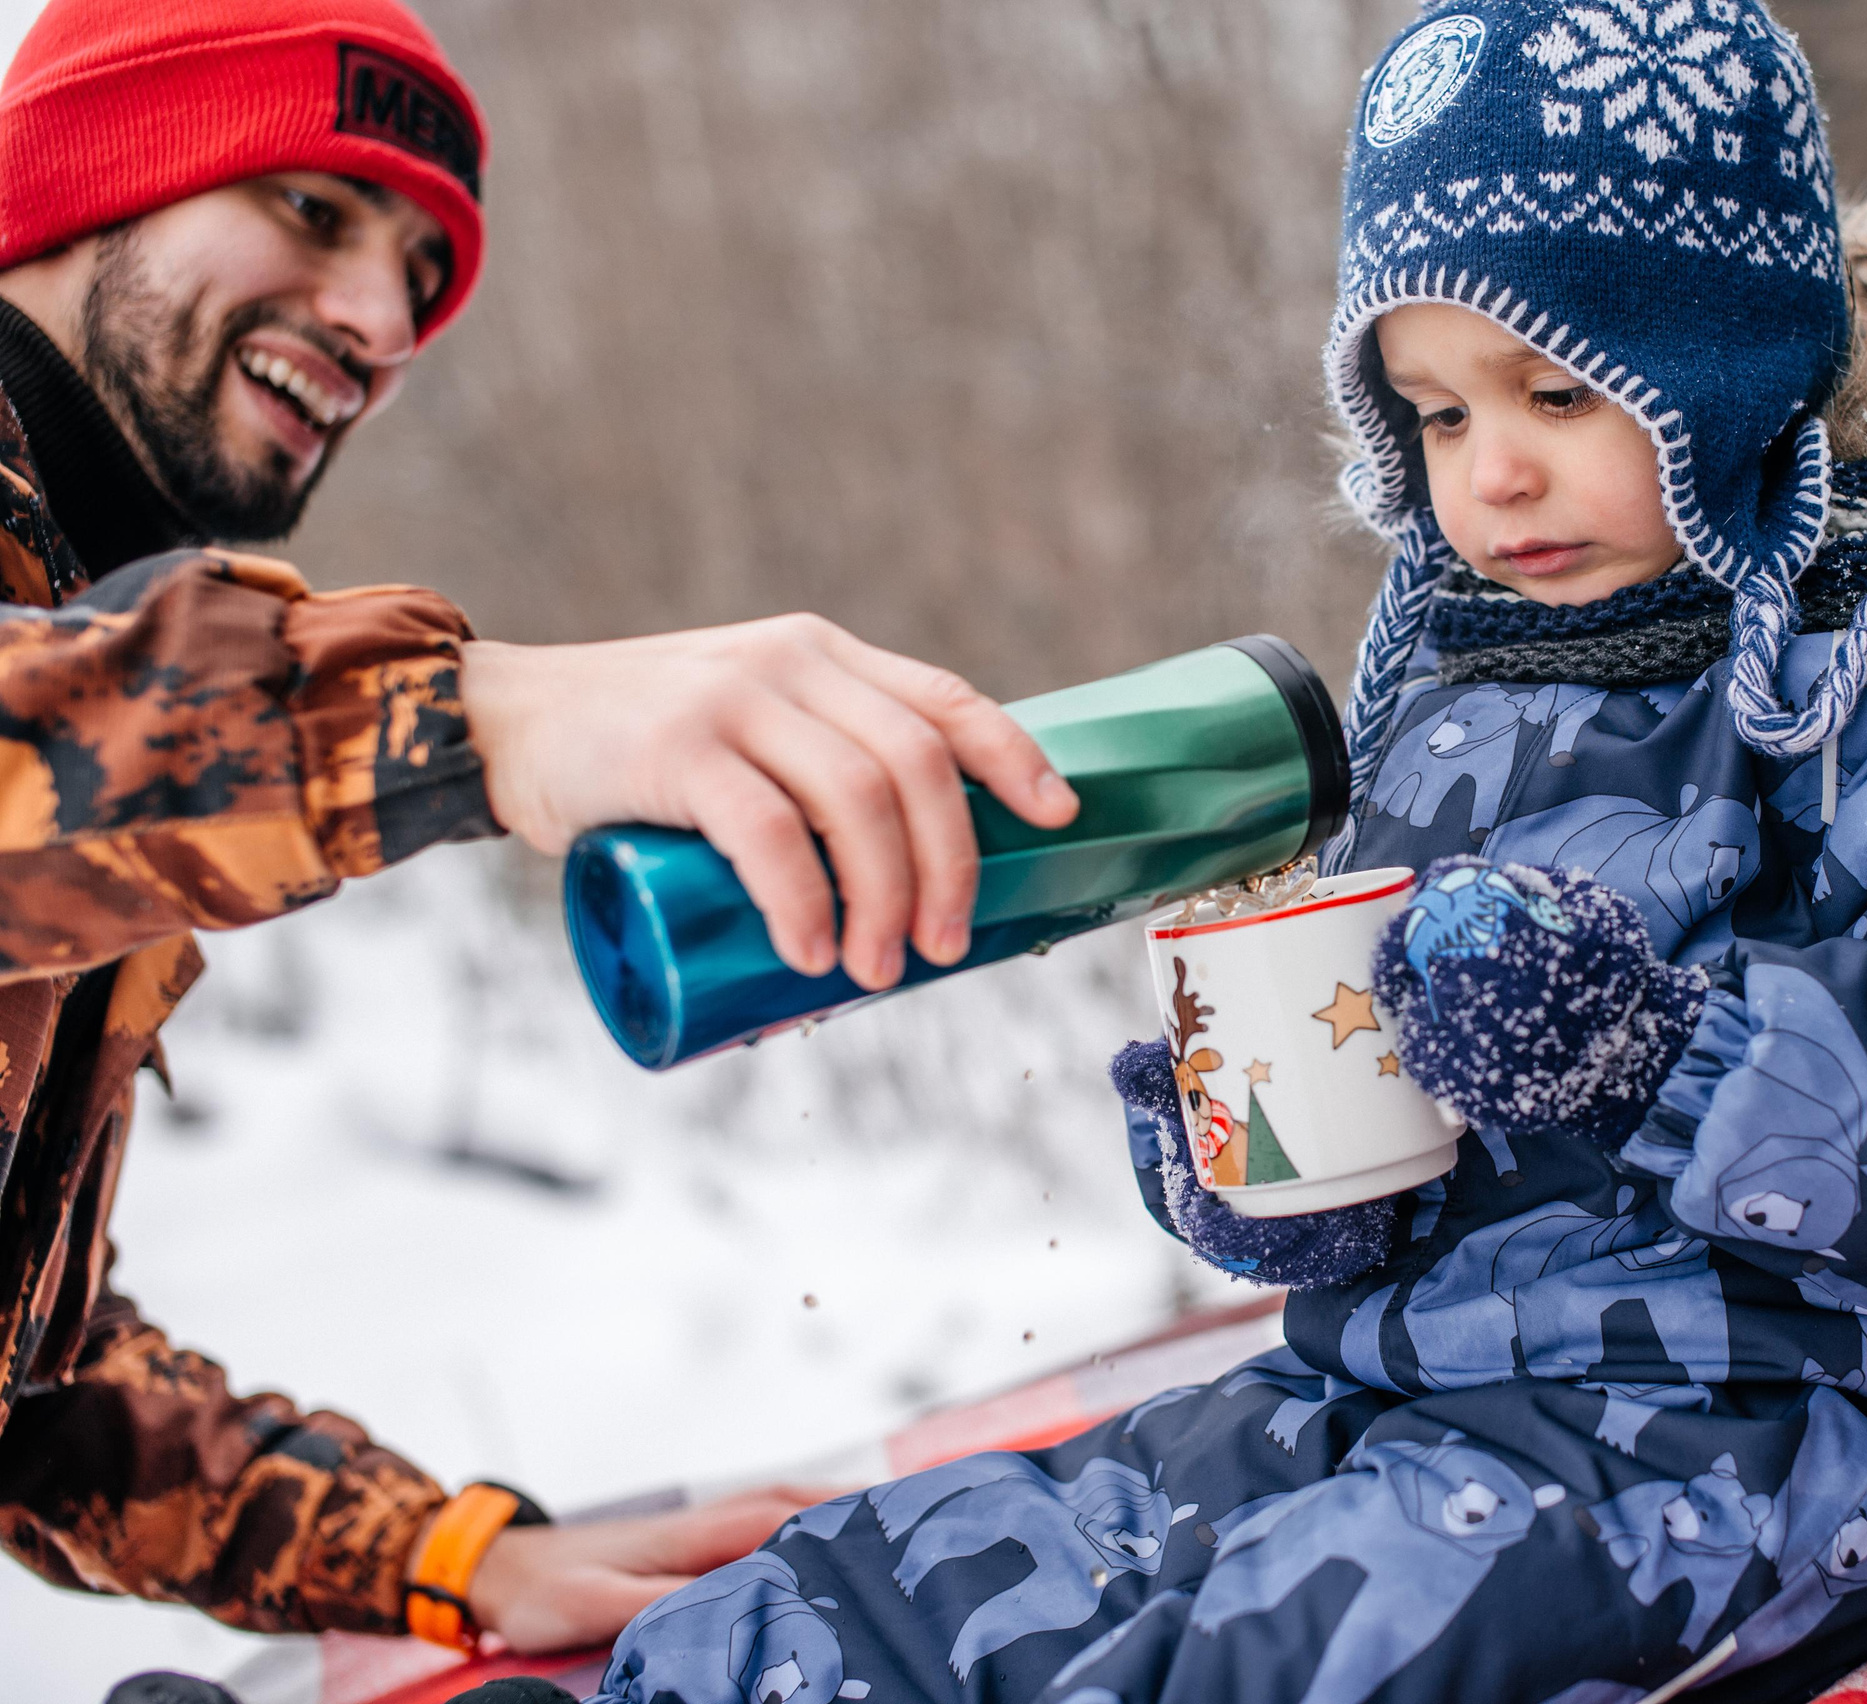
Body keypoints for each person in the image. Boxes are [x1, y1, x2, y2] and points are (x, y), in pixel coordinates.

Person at [588, 5, 1867, 1702]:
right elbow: (1407, 1097)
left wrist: (1653, 1058)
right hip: (1386, 1391)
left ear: (1720, 365)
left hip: (1759, 1428)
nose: (1493, 470)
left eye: (1559, 391)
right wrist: (1275, 1164)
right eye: (1432, 411)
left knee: (1275, 1657)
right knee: (872, 1590)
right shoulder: (1449, 678)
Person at [0, 0, 1077, 1668]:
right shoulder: (104, 705)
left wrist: (443, 1556)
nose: (381, 321)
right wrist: (473, 716)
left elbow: (33, 1401)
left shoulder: (100, 649)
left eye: (420, 276)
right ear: (90, 176)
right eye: (314, 208)